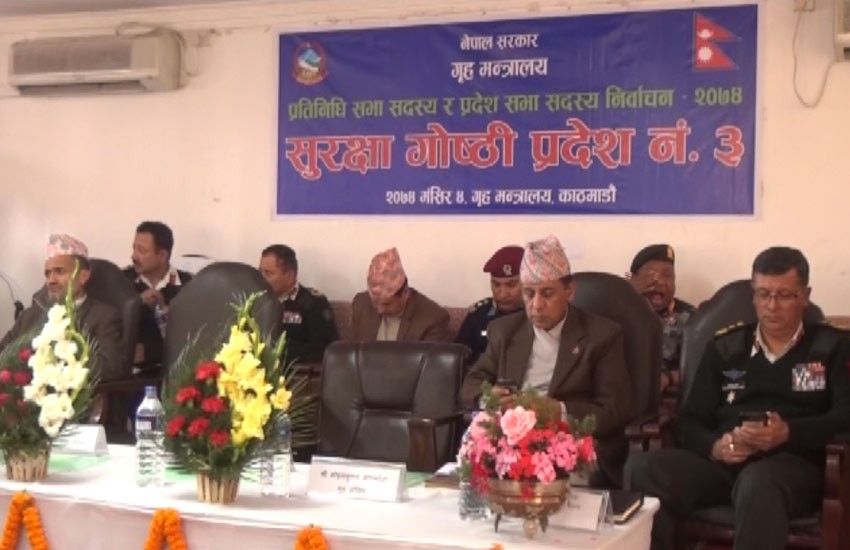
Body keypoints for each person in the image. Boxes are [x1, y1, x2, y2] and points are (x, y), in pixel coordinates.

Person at [624, 247, 850, 550]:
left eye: (784, 295)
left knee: (759, 481)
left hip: (793, 468)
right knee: (643, 468)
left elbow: (844, 416)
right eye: (763, 294)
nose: (771, 306)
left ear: (805, 296)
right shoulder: (726, 346)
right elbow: (689, 420)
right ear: (753, 295)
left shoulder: (831, 347)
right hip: (725, 463)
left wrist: (788, 432)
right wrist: (716, 447)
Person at [460, 235, 632, 487]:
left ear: (569, 291)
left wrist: (559, 411)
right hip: (513, 442)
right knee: (472, 472)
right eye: (529, 294)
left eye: (547, 293)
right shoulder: (505, 331)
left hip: (571, 443)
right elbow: (471, 383)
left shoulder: (601, 336)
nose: (537, 305)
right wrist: (490, 398)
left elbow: (613, 411)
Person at [0, 234, 124, 380]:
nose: (51, 281)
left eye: (59, 271)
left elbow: (109, 367)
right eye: (48, 274)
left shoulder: (104, 316)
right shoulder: (30, 316)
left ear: (83, 276)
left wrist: (56, 359)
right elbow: (3, 353)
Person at [122, 221, 192, 366]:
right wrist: (135, 303)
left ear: (162, 255)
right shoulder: (122, 281)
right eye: (134, 248)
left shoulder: (188, 286)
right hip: (130, 373)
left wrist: (149, 352)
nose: (133, 256)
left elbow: (191, 340)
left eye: (142, 251)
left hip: (176, 370)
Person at [628, 244, 695, 391]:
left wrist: (668, 377)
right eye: (650, 275)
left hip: (669, 399)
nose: (660, 282)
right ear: (633, 280)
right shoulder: (617, 312)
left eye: (668, 276)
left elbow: (702, 367)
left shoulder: (693, 318)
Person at [259, 244, 338, 363]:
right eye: (260, 272)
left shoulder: (314, 303)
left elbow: (325, 349)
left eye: (268, 273)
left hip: (297, 370)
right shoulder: (256, 300)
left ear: (289, 275)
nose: (262, 278)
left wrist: (281, 351)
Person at [351, 247, 450, 342]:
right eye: (375, 302)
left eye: (386, 304)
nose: (379, 310)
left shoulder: (433, 319)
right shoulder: (360, 304)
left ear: (405, 293)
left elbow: (428, 355)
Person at [455, 245, 524, 364]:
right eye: (496, 285)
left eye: (511, 285)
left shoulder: (538, 315)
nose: (503, 294)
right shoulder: (479, 315)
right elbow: (457, 360)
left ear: (528, 282)